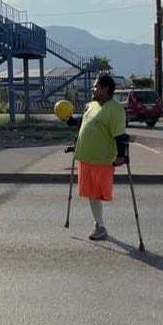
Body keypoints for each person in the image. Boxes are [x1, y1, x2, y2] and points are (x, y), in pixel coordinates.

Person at [68, 74, 128, 241]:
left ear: (105, 89)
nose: (93, 89)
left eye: (96, 86)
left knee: (97, 194)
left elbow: (120, 135)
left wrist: (121, 155)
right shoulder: (92, 105)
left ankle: (100, 226)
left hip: (101, 159)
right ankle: (99, 225)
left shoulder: (115, 109)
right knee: (91, 194)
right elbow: (84, 122)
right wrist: (70, 120)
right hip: (86, 157)